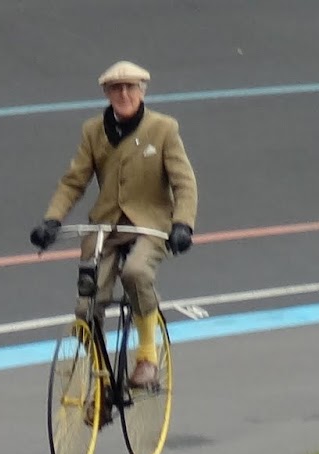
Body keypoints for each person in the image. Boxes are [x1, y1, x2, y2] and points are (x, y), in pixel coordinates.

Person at [30, 60, 198, 389]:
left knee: (135, 273)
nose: (124, 94)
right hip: (106, 228)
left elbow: (184, 183)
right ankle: (101, 377)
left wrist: (183, 224)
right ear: (107, 93)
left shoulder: (163, 129)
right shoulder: (93, 131)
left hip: (149, 226)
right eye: (116, 89)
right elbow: (74, 182)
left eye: (130, 88)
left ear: (142, 91)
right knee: (86, 307)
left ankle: (147, 356)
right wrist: (52, 219)